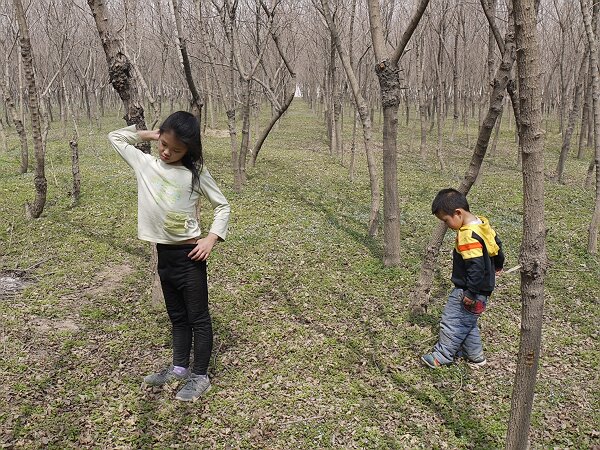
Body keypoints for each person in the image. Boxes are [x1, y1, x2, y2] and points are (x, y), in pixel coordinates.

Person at [108, 111, 230, 401]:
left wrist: (211, 238)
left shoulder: (194, 174)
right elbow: (115, 137)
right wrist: (152, 134)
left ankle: (199, 376)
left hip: (191, 257)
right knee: (177, 317)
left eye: (176, 150)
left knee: (198, 318)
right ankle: (178, 369)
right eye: (164, 145)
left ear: (189, 151)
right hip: (164, 256)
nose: (167, 153)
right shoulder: (145, 163)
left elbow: (223, 206)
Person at [421, 188, 504, 369]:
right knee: (468, 322)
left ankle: (442, 356)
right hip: (483, 290)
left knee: (452, 321)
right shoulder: (482, 223)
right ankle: (475, 356)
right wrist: (498, 265)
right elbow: (496, 245)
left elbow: (475, 267)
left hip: (468, 290)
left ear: (458, 213)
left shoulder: (467, 235)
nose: (447, 224)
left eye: (446, 220)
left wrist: (470, 292)